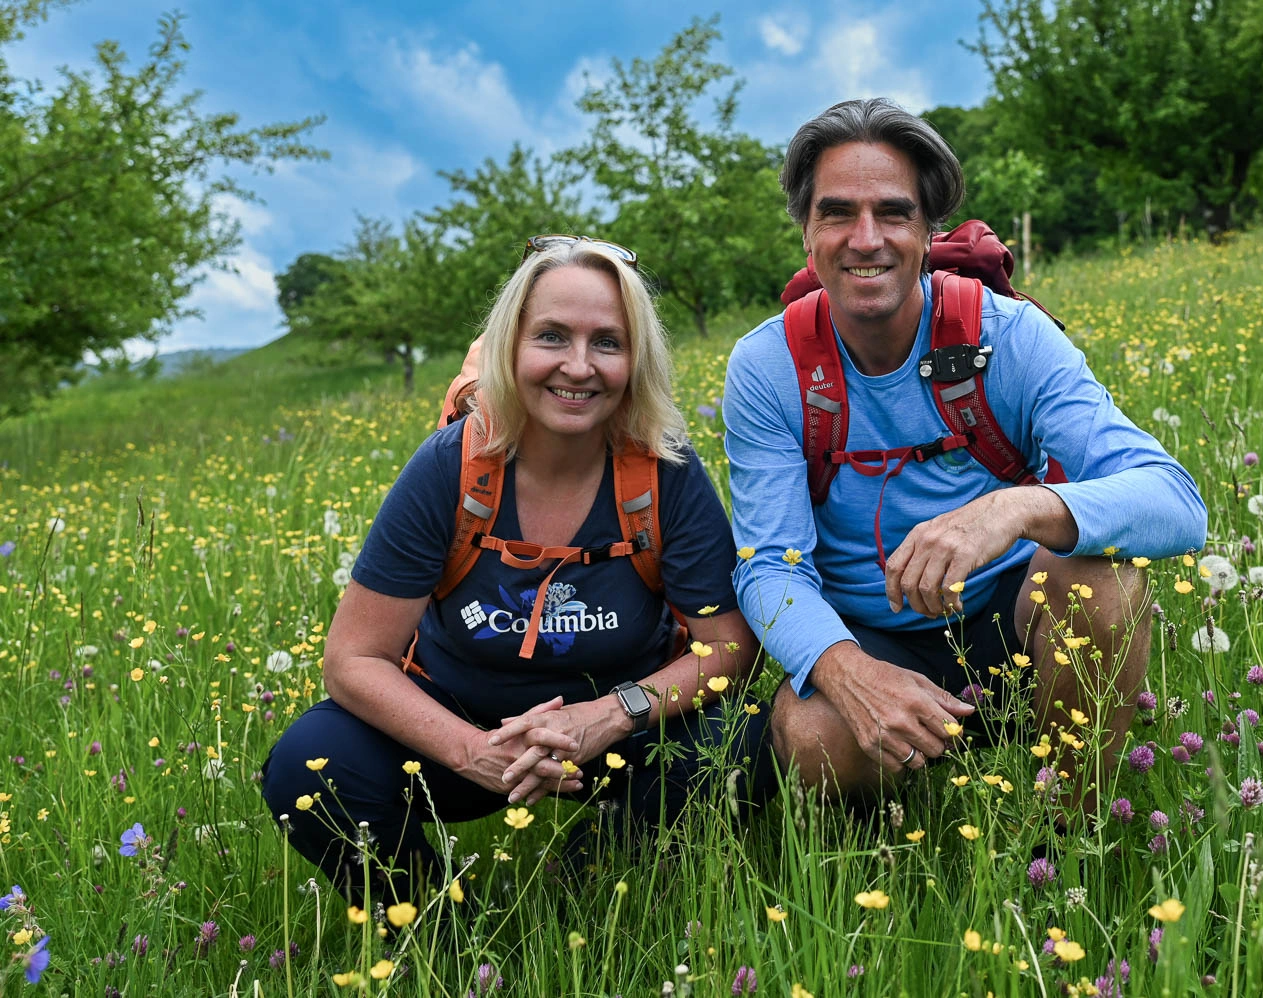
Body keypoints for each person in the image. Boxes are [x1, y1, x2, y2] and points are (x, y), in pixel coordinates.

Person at [722, 99, 1207, 804]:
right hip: (870, 638)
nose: (866, 239)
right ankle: (885, 850)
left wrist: (1013, 510)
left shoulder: (1007, 336)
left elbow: (1176, 502)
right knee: (811, 734)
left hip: (1011, 625)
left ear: (927, 231)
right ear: (806, 230)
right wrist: (844, 669)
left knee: (1105, 588)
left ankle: (1065, 832)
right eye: (836, 213)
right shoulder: (769, 365)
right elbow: (768, 564)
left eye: (893, 212)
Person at [263, 236, 764, 903]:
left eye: (608, 343)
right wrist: (476, 752)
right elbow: (353, 659)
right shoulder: (451, 468)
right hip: (456, 730)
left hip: (619, 737)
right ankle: (429, 925)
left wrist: (612, 715)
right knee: (306, 768)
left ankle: (590, 893)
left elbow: (729, 647)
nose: (579, 367)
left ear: (636, 358)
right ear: (509, 347)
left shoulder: (662, 471)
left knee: (750, 740)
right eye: (552, 337)